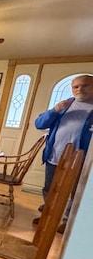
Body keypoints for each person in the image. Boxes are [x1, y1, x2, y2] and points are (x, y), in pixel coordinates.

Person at [34, 74, 93, 233]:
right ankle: (48, 215)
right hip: (55, 155)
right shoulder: (65, 105)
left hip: (81, 159)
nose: (80, 89)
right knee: (50, 188)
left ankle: (67, 222)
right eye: (76, 86)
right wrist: (54, 111)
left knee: (76, 191)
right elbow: (39, 124)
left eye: (85, 85)